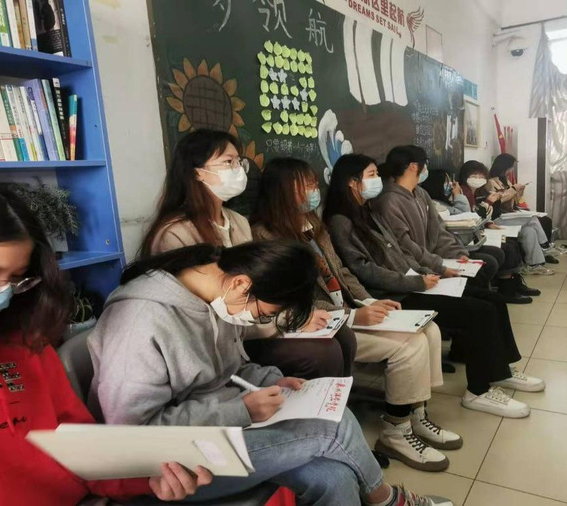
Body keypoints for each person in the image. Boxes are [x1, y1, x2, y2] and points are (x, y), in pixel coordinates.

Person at [0, 179, 213, 505]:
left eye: (15, 279)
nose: (2, 295)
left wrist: (147, 476)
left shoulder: (19, 337)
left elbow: (77, 447)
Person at [88, 241, 452, 506]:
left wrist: (270, 380)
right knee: (334, 425)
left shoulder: (214, 294)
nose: (258, 321)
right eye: (265, 314)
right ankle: (388, 500)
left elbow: (232, 367)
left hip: (222, 433)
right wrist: (241, 409)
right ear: (241, 284)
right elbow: (135, 433)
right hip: (172, 464)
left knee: (335, 478)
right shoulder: (140, 322)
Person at [251, 157, 461, 473]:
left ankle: (416, 414)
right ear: (281, 190)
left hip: (348, 310)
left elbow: (344, 273)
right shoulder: (265, 237)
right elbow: (289, 299)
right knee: (410, 347)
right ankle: (396, 431)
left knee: (429, 330)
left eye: (314, 183)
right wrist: (351, 316)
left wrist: (368, 301)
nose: (313, 191)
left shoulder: (313, 225)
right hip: (322, 323)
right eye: (305, 185)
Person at [324, 154, 543, 418]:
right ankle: (478, 391)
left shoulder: (367, 211)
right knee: (480, 312)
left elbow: (400, 253)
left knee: (493, 300)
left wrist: (427, 273)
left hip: (411, 283)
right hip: (392, 296)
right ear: (351, 181)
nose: (378, 180)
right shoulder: (340, 221)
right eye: (372, 175)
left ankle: (501, 371)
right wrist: (416, 281)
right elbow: (364, 270)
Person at [141, 128, 356, 380]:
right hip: (225, 337)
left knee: (342, 335)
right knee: (323, 352)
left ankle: (332, 398)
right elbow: (205, 313)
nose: (238, 169)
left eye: (238, 161)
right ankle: (308, 401)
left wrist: (291, 317)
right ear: (197, 172)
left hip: (256, 321)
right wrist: (285, 322)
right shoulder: (175, 233)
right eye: (228, 162)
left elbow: (260, 286)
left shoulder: (238, 222)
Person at [371, 146, 499, 288]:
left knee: (487, 266)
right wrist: (438, 266)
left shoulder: (421, 193)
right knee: (482, 279)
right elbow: (405, 245)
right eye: (425, 163)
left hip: (437, 258)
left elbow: (438, 228)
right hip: (420, 267)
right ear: (413, 166)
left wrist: (456, 252)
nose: (426, 169)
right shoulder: (389, 201)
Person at [421, 169, 538, 302]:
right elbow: (465, 215)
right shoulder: (441, 202)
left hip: (467, 239)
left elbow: (476, 215)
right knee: (500, 252)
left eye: (481, 176)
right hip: (458, 243)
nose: (451, 185)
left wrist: (487, 220)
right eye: (474, 175)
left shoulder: (473, 192)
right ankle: (503, 290)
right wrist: (460, 196)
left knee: (510, 244)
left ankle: (513, 284)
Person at [460, 161, 555, 276]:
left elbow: (491, 209)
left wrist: (516, 192)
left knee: (528, 231)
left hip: (492, 220)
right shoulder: (466, 192)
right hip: (489, 223)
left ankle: (533, 265)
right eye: (474, 176)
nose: (478, 179)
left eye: (481, 177)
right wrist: (493, 200)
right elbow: (472, 215)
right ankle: (545, 246)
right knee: (532, 219)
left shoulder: (482, 190)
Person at [487, 154, 561, 256]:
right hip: (499, 216)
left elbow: (515, 201)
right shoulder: (491, 182)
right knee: (533, 219)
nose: (511, 170)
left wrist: (519, 191)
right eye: (510, 167)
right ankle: (545, 245)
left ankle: (536, 261)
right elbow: (499, 200)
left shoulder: (506, 180)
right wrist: (513, 189)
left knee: (530, 230)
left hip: (509, 212)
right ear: (504, 166)